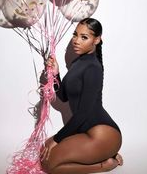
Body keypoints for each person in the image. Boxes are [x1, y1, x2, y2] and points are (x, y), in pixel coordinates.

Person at [41, 18, 123, 174]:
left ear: (97, 40)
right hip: (85, 131)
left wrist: (57, 139)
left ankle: (104, 165)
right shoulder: (77, 63)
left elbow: (83, 113)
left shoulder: (93, 68)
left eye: (84, 37)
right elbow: (63, 97)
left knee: (49, 165)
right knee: (45, 149)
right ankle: (103, 153)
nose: (76, 41)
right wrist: (56, 74)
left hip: (103, 134)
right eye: (75, 35)